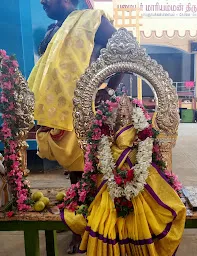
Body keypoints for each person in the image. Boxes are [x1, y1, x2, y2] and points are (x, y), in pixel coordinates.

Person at [28, 1, 122, 253]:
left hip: (85, 109)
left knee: (87, 171)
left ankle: (84, 228)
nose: (42, 1)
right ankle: (77, 215)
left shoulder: (93, 20)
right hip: (59, 112)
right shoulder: (52, 29)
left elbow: (126, 49)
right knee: (74, 171)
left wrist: (110, 89)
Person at [61, 94, 186, 255]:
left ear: (134, 113)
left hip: (140, 181)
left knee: (161, 210)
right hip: (110, 182)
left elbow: (145, 155)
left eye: (127, 112)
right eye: (121, 113)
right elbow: (103, 158)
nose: (124, 115)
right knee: (102, 221)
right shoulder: (109, 134)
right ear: (114, 115)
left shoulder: (141, 133)